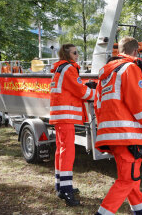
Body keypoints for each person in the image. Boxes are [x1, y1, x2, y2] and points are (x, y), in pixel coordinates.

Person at [94, 37, 142, 215]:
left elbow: (98, 105)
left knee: (131, 179)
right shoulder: (131, 68)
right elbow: (140, 105)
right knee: (127, 180)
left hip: (113, 135)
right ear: (136, 52)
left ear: (119, 52)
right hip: (128, 136)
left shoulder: (106, 75)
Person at [49, 44, 95, 206]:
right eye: (75, 53)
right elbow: (80, 91)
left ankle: (60, 186)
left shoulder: (60, 69)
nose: (77, 55)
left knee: (61, 151)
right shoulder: (68, 68)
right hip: (65, 117)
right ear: (67, 55)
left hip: (60, 117)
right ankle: (67, 191)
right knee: (67, 152)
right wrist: (97, 94)